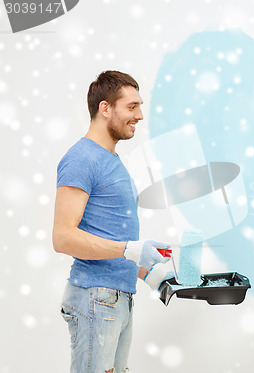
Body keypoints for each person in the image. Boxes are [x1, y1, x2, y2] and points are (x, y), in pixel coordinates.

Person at [53, 70, 172, 373]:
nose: (140, 115)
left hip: (116, 299)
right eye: (132, 107)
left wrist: (150, 273)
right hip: (95, 298)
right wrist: (131, 250)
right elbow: (63, 238)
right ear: (105, 108)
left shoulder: (111, 160)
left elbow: (110, 234)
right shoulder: (81, 158)